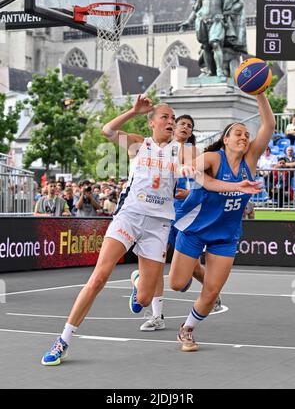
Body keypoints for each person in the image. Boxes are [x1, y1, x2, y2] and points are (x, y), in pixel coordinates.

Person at [41, 96, 260, 365]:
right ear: (152, 122)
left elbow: (209, 183)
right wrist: (132, 111)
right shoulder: (138, 144)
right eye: (165, 117)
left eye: (173, 118)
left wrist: (237, 187)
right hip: (130, 216)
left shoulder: (186, 151)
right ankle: (63, 340)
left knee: (145, 298)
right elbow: (107, 131)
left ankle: (137, 284)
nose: (171, 122)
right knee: (98, 277)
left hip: (159, 225)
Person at [169, 91, 275, 351]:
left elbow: (269, 124)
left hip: (225, 235)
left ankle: (187, 330)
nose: (244, 136)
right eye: (238, 133)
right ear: (225, 139)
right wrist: (231, 184)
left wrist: (260, 92)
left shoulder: (250, 160)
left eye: (247, 134)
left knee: (212, 291)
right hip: (195, 229)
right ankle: (189, 269)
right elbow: (196, 170)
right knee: (177, 284)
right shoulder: (214, 158)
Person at [139, 114, 220, 333]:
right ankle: (157, 316)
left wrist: (188, 194)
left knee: (192, 269)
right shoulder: (159, 150)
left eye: (190, 126)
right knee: (156, 261)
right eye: (182, 123)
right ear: (173, 127)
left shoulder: (196, 155)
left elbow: (206, 185)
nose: (186, 127)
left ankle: (212, 292)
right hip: (162, 212)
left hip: (187, 215)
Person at [179, 0, 247, 77]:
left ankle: (219, 71)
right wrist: (188, 21)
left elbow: (239, 3)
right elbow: (196, 9)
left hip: (217, 21)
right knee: (206, 47)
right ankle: (210, 71)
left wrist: (227, 12)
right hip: (202, 21)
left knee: (215, 44)